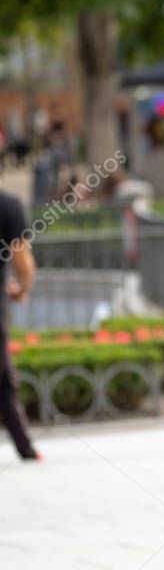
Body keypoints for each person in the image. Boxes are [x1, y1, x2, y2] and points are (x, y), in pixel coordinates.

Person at [0, 190, 40, 461]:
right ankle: (26, 448)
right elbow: (22, 262)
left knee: (3, 381)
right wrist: (22, 289)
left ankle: (26, 447)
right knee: (3, 380)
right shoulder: (8, 206)